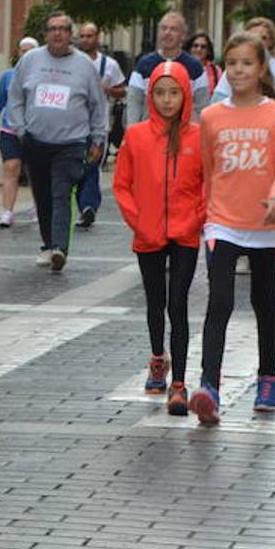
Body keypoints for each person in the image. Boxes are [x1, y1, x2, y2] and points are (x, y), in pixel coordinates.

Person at [190, 32, 275, 425]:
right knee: (219, 301)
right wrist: (204, 213)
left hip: (266, 224)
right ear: (224, 68)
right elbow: (206, 168)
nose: (239, 70)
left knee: (263, 301)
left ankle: (267, 375)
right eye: (232, 63)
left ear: (262, 69)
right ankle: (209, 388)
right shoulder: (212, 116)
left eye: (247, 63)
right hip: (223, 222)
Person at [112, 61, 203, 416]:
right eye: (160, 93)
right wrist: (139, 222)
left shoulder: (198, 136)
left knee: (177, 304)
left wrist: (195, 219)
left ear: (186, 95)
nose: (167, 101)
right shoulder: (135, 136)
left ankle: (179, 383)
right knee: (155, 300)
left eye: (174, 92)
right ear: (150, 95)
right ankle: (156, 358)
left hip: (185, 233)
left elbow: (208, 185)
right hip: (148, 232)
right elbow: (122, 185)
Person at [5, 11, 108, 272]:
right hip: (36, 141)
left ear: (70, 34)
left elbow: (98, 104)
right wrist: (20, 129)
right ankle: (48, 244)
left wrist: (98, 137)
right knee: (42, 195)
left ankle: (60, 248)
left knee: (61, 192)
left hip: (71, 142)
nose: (57, 33)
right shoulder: (30, 60)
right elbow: (15, 96)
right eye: (52, 29)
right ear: (45, 34)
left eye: (63, 28)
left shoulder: (84, 65)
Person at [212, 18, 275, 165]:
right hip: (239, 137)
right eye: (253, 36)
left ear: (271, 41)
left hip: (272, 138)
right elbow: (216, 105)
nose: (258, 41)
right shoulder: (235, 69)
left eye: (264, 37)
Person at [75, 22, 126, 227]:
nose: (86, 40)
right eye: (83, 36)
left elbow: (123, 90)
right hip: (73, 127)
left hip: (98, 126)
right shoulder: (73, 62)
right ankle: (83, 206)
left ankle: (89, 207)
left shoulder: (110, 65)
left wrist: (108, 90)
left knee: (92, 166)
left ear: (97, 38)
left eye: (90, 36)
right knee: (77, 168)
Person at [0, 36, 39, 228]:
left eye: (30, 51)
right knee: (11, 168)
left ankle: (37, 208)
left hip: (34, 131)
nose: (26, 54)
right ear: (18, 53)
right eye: (22, 50)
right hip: (10, 130)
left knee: (35, 171)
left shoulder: (42, 75)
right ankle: (7, 211)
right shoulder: (8, 76)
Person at [126, 11, 210, 124]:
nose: (167, 33)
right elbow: (134, 104)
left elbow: (202, 106)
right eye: (164, 28)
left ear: (183, 35)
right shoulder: (143, 65)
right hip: (149, 136)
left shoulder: (195, 68)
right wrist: (132, 134)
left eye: (173, 29)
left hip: (183, 136)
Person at [187, 32, 221, 97]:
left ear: (208, 51)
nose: (199, 49)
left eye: (203, 47)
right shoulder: (182, 68)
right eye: (195, 45)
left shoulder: (216, 71)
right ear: (190, 48)